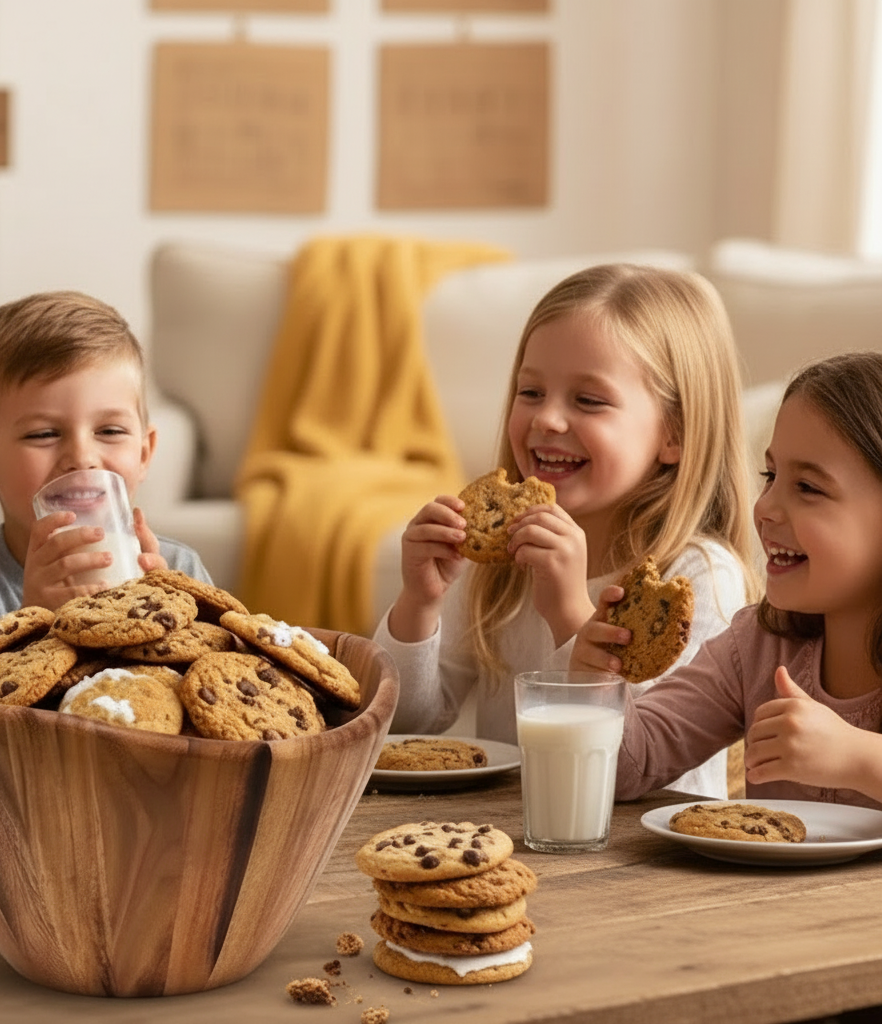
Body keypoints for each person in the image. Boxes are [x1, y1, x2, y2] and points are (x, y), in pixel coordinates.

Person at [372, 263, 758, 799]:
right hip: (510, 837)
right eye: (530, 391)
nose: (547, 419)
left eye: (589, 400)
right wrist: (419, 603)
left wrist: (570, 613)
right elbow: (405, 728)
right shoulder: (501, 559)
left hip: (636, 856)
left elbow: (633, 765)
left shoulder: (695, 577)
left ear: (676, 433)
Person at [571, 351, 882, 809]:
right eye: (770, 475)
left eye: (809, 488)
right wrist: (596, 689)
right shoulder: (755, 648)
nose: (766, 507)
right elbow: (629, 769)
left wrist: (858, 759)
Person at [0, 290, 212, 675]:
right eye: (43, 434)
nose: (81, 457)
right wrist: (35, 626)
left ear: (144, 453)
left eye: (110, 430)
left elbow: (216, 690)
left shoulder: (180, 569)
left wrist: (164, 620)